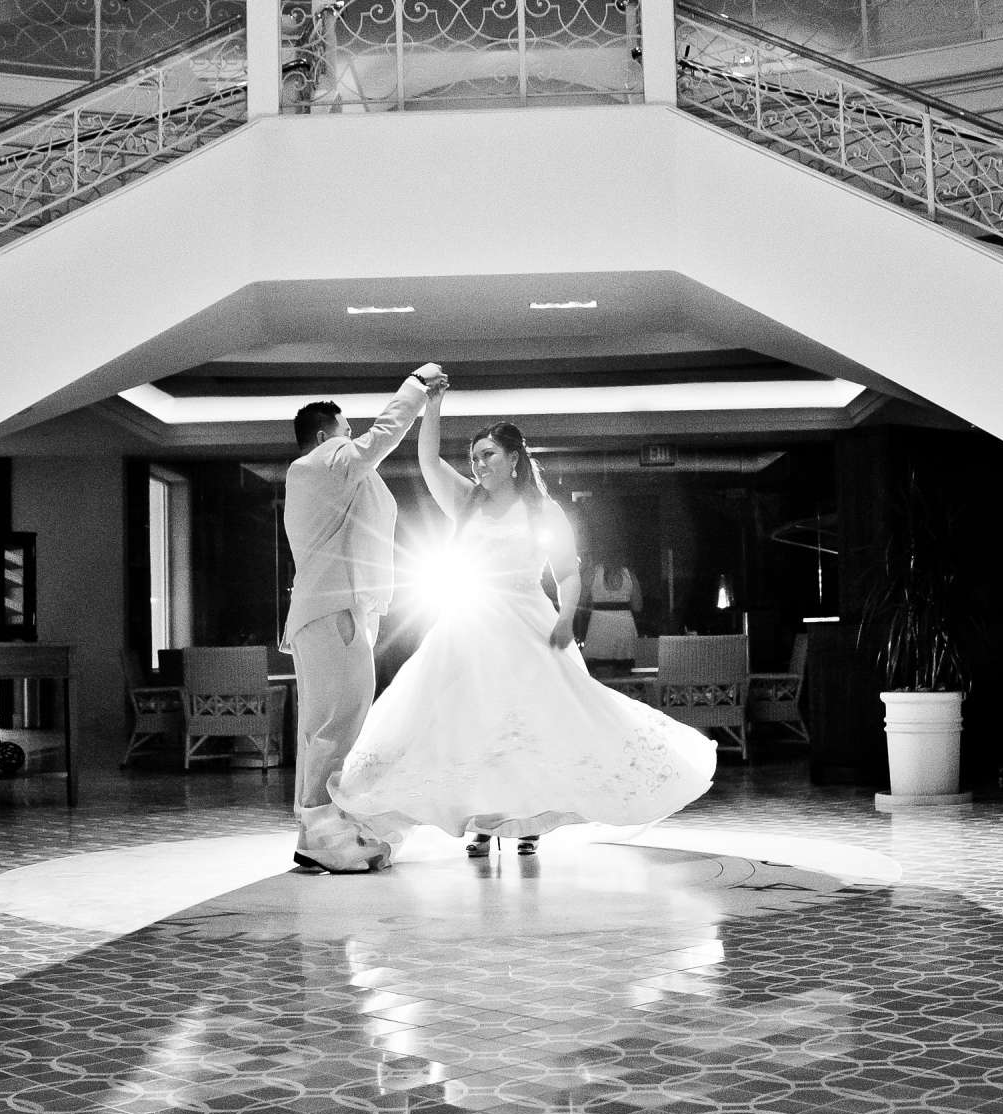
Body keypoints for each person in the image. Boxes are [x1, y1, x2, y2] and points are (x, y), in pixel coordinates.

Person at [332, 379, 716, 856]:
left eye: (488, 454)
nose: (479, 464)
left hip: (527, 625)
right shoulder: (465, 501)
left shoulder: (543, 511)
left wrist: (566, 619)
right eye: (475, 457)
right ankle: (483, 821)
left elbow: (568, 575)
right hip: (468, 627)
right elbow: (428, 462)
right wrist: (434, 406)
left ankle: (525, 821)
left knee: (529, 725)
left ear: (514, 459)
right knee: (473, 723)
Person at [282, 363, 446, 873]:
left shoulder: (323, 479)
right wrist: (417, 387)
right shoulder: (323, 464)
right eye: (343, 430)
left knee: (321, 725)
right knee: (341, 719)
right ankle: (323, 830)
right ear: (322, 436)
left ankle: (316, 830)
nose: (352, 436)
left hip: (325, 611)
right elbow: (382, 435)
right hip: (334, 611)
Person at [580, 548, 642, 665]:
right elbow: (638, 606)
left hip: (599, 626)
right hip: (624, 626)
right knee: (625, 668)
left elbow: (580, 602)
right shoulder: (630, 575)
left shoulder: (591, 573)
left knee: (599, 668)